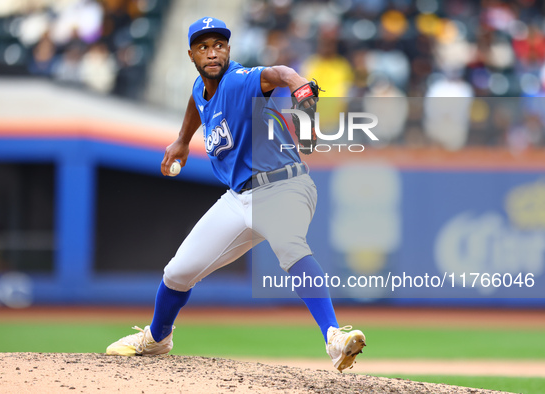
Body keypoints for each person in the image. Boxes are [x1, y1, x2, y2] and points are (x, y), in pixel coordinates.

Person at [106, 17, 366, 372]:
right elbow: (197, 102)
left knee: (290, 249)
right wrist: (182, 139)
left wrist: (305, 105)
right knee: (177, 273)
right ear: (191, 54)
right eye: (203, 47)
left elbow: (285, 75)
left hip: (283, 185)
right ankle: (156, 338)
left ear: (229, 49)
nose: (212, 53)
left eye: (219, 45)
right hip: (238, 197)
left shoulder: (239, 81)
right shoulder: (202, 88)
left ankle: (334, 337)